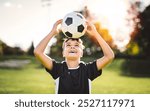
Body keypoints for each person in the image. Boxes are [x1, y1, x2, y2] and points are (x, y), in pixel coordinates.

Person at [34, 19, 114, 94]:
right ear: (63, 53)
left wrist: (95, 34)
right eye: (68, 45)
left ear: (81, 53)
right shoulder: (57, 69)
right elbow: (38, 52)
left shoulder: (88, 70)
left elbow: (109, 56)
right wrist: (52, 32)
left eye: (76, 45)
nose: (72, 47)